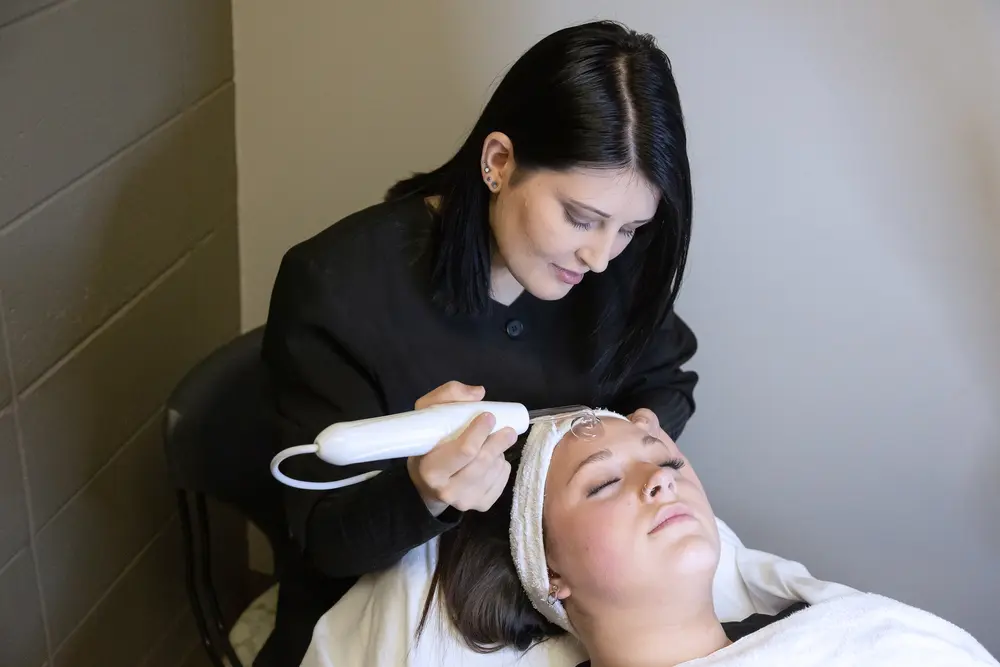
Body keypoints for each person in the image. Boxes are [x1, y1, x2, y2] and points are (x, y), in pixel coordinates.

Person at [258, 20, 698, 665]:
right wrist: (423, 491)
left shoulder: (614, 264)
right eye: (580, 218)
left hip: (554, 592)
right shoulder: (337, 288)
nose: (602, 257)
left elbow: (666, 380)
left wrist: (634, 445)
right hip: (388, 610)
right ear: (498, 162)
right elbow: (323, 541)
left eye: (630, 228)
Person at [424, 413, 998, 667]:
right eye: (602, 483)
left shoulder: (844, 636)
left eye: (668, 460)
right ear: (550, 571)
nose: (662, 478)